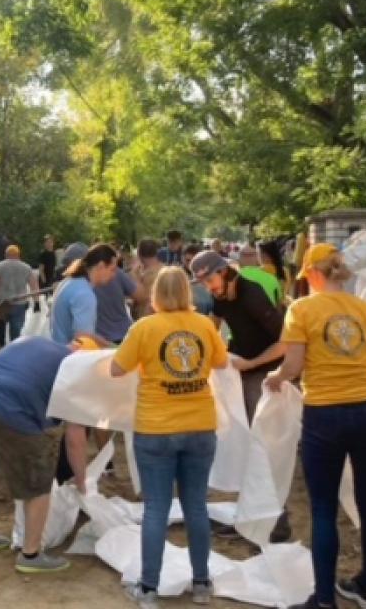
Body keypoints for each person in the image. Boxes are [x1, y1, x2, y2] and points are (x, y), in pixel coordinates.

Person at [264, 244, 366, 609]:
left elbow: (293, 367)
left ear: (311, 273)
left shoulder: (302, 309)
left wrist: (276, 378)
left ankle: (324, 599)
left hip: (325, 414)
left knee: (323, 508)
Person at [111, 267, 228, 607]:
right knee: (196, 505)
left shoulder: (144, 328)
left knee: (156, 509)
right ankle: (202, 583)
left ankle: (148, 589)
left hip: (156, 429)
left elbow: (118, 369)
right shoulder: (205, 325)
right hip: (200, 426)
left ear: (156, 294)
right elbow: (220, 363)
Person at [0, 335, 88, 574]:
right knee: (38, 480)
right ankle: (31, 554)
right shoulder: (74, 371)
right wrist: (81, 481)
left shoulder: (39, 342)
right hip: (9, 406)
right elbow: (75, 438)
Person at [191, 249, 291, 543]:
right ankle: (249, 515)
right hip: (240, 372)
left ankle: (277, 521)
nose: (208, 288)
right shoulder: (220, 297)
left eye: (209, 279)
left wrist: (252, 364)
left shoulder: (252, 295)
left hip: (265, 375)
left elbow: (285, 341)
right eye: (203, 283)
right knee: (244, 445)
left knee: (262, 447)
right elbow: (212, 327)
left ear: (224, 272)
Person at [51, 243, 119, 345]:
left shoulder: (69, 281)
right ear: (100, 266)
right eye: (112, 270)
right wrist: (111, 347)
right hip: (69, 356)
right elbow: (83, 338)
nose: (114, 276)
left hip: (59, 350)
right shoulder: (84, 294)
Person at [0, 245, 39, 342]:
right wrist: (37, 302)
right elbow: (34, 286)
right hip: (20, 304)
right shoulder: (26, 267)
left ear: (6, 255)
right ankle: (14, 350)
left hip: (2, 304)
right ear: (18, 255)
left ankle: (1, 350)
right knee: (16, 332)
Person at [94, 256, 138, 345]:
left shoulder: (85, 281)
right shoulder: (117, 273)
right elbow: (139, 295)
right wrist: (135, 272)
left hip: (101, 338)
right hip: (123, 333)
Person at [131, 239, 163, 319]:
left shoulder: (137, 273)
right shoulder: (165, 270)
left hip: (147, 319)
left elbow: (142, 297)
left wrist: (134, 275)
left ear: (139, 254)